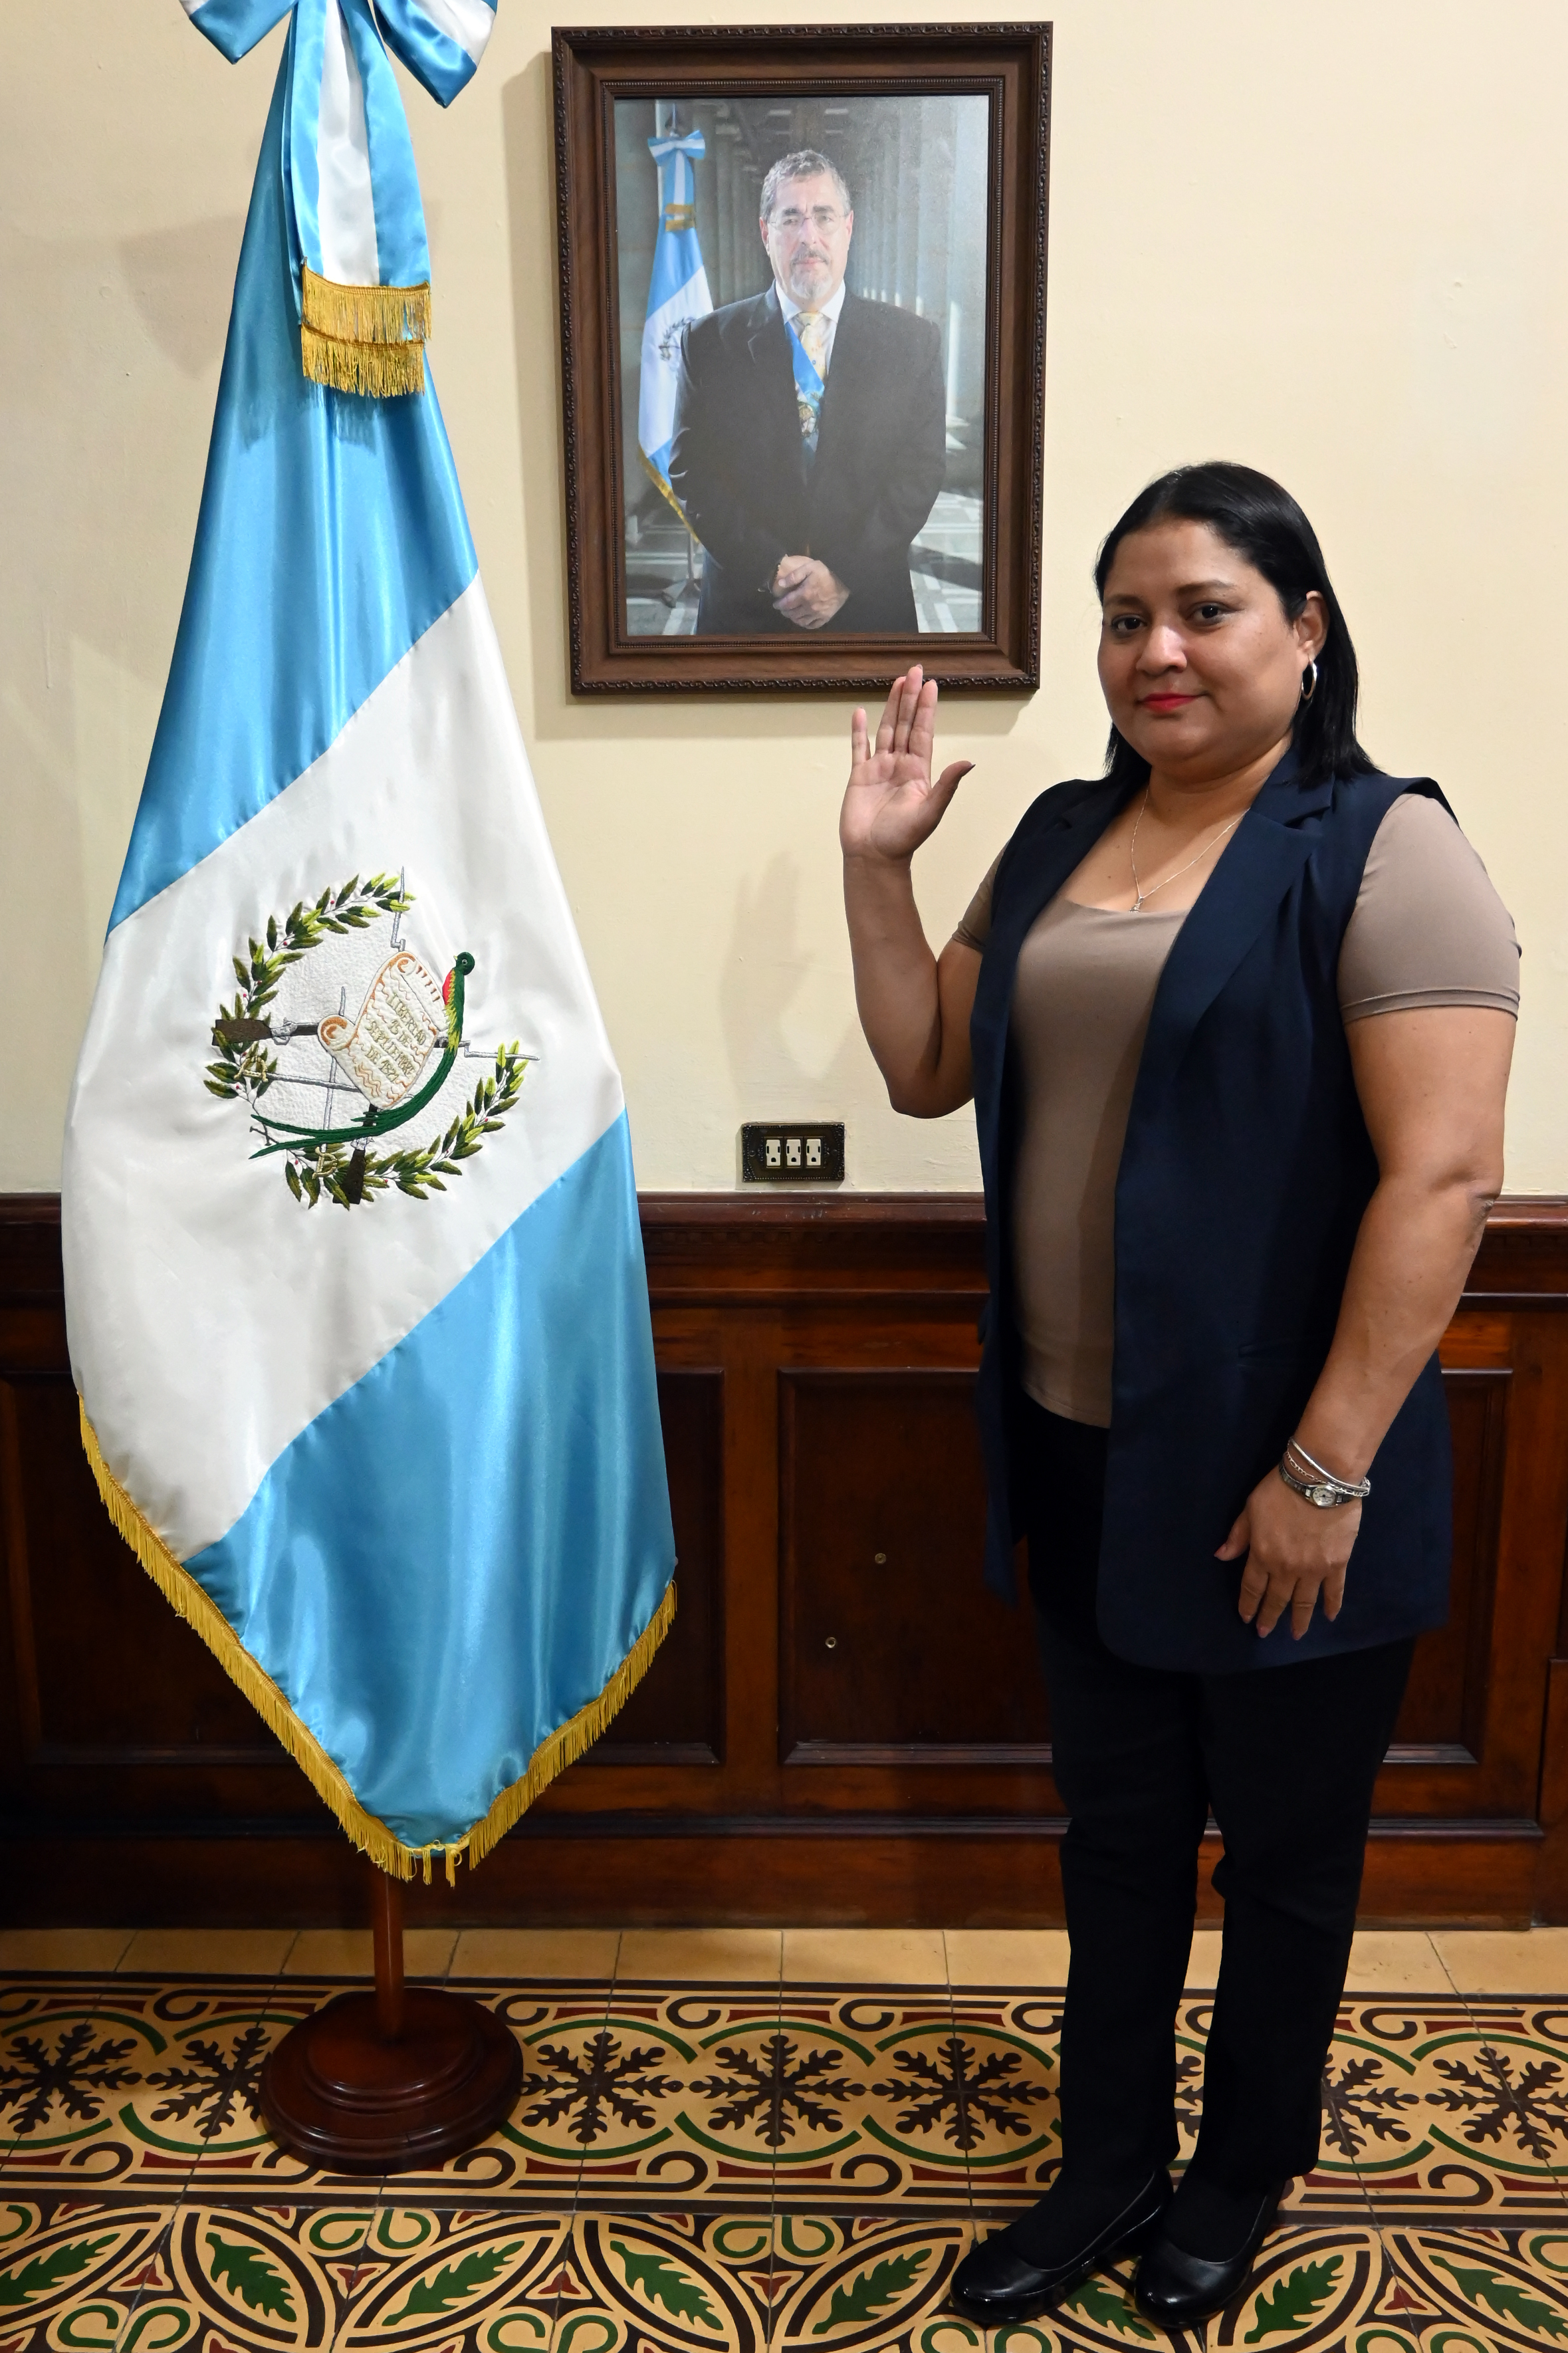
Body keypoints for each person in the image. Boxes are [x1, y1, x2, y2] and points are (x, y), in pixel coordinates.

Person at [839, 463, 1519, 2328]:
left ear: (1303, 629)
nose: (1156, 648)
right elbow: (921, 1063)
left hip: (1289, 1475)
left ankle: (1241, 2167)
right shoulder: (1061, 833)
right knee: (1117, 1839)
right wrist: (877, 866)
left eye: (1204, 609)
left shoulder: (1380, 846)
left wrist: (1326, 1467)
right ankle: (1109, 2157)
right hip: (1080, 1453)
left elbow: (1445, 1177)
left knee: (1284, 1858)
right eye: (1124, 615)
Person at [666, 148, 947, 635]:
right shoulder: (709, 344)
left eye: (823, 217)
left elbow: (919, 473)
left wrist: (842, 575)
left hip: (869, 612)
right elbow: (693, 473)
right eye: (791, 218)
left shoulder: (911, 343)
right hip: (745, 614)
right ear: (765, 233)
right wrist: (770, 568)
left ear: (848, 228)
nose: (808, 236)